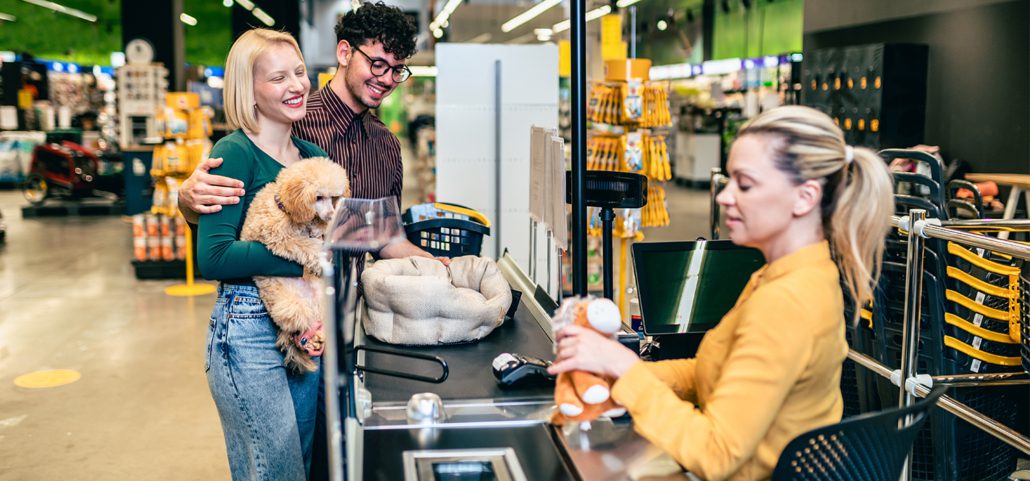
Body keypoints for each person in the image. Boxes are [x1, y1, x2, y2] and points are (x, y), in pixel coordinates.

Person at [549, 106, 895, 481]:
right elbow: (713, 369)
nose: (724, 197)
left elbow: (716, 455)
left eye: (744, 184)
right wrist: (623, 380)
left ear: (805, 197)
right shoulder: (789, 274)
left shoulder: (787, 303)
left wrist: (627, 370)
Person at [178, 1, 437, 262]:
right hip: (280, 296)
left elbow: (385, 238)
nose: (387, 79)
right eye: (378, 64)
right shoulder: (287, 122)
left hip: (351, 298)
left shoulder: (387, 146)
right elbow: (229, 236)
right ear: (345, 53)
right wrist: (187, 203)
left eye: (397, 70)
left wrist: (435, 265)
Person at [198, 29, 327, 480]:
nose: (296, 86)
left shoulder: (312, 157)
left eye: (299, 72)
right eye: (277, 78)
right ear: (247, 89)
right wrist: (307, 259)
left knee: (301, 465)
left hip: (305, 323)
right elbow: (213, 257)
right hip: (248, 330)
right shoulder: (233, 154)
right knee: (277, 471)